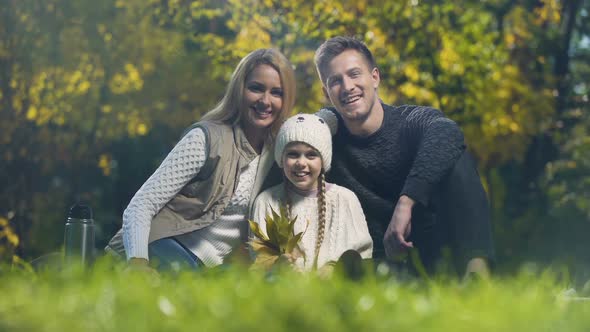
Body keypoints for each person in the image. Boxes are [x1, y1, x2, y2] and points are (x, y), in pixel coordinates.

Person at [314, 36, 494, 278]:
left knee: (455, 156)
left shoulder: (409, 122)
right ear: (327, 93)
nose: (347, 87)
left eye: (354, 74)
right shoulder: (325, 137)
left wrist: (406, 201)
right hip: (376, 264)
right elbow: (295, 135)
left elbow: (448, 130)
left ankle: (477, 273)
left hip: (433, 252)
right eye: (336, 81)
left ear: (374, 77)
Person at [105, 48, 295, 272]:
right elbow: (141, 205)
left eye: (277, 93)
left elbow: (317, 131)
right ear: (239, 90)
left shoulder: (279, 155)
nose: (265, 101)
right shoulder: (207, 138)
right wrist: (138, 263)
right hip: (159, 248)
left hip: (207, 268)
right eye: (256, 88)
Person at [251, 113, 373, 272]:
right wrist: (277, 266)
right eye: (293, 154)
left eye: (311, 155)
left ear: (323, 161)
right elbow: (258, 260)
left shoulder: (345, 199)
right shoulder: (267, 201)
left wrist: (334, 268)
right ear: (281, 159)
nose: (301, 163)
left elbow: (361, 255)